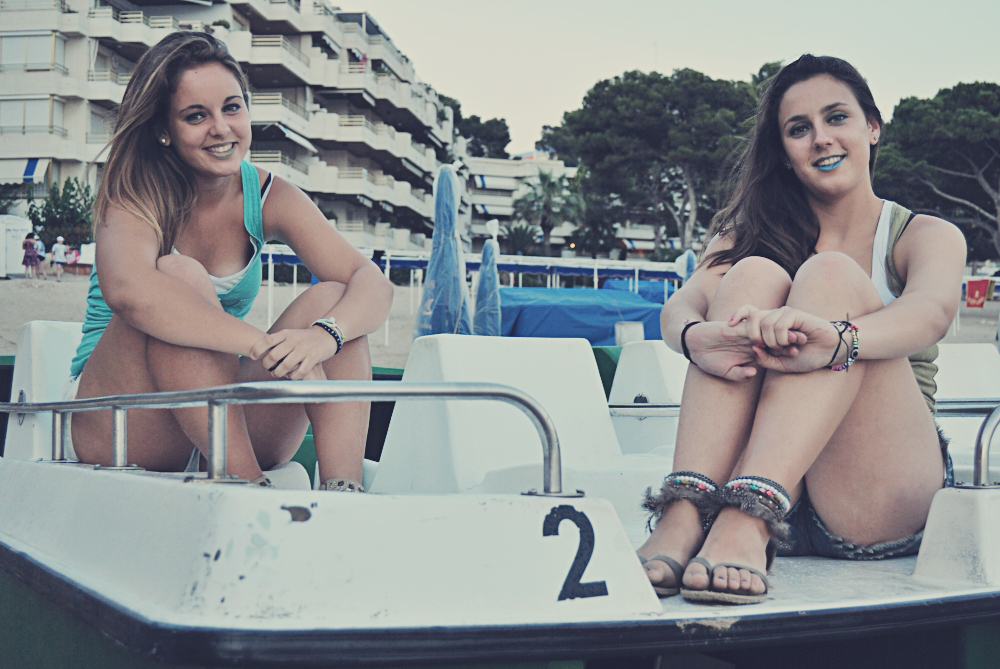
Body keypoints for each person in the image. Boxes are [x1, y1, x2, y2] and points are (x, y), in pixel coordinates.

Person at [636, 55, 966, 605]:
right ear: (785, 153)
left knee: (831, 274)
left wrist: (837, 341)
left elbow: (931, 312)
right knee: (753, 273)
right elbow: (683, 305)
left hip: (874, 489)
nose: (821, 139)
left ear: (872, 127)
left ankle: (750, 517)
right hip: (754, 496)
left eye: (837, 118)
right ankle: (684, 513)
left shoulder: (923, 234)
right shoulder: (747, 234)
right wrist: (695, 338)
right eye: (799, 129)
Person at [69, 31, 393, 490]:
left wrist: (322, 339)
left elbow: (372, 282)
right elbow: (131, 292)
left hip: (223, 416)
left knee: (335, 299)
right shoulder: (134, 191)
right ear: (163, 129)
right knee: (180, 276)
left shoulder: (268, 195)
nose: (221, 128)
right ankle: (247, 488)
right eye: (196, 116)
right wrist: (264, 346)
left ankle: (343, 496)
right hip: (123, 419)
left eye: (232, 107)